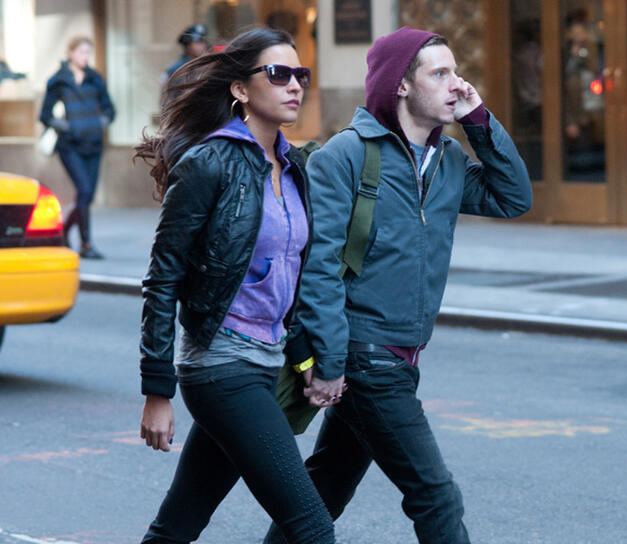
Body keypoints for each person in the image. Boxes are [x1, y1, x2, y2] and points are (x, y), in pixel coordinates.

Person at [265, 26, 532, 544]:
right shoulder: (346, 155)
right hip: (366, 356)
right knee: (436, 497)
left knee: (324, 489)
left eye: (457, 71)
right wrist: (329, 363)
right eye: (441, 73)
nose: (456, 83)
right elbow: (316, 266)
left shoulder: (448, 161)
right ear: (401, 85)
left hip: (403, 355)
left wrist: (478, 120)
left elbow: (513, 197)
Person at [134, 27, 335, 544]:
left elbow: (286, 279)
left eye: (301, 75)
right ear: (241, 89)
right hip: (221, 366)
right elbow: (162, 278)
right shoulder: (210, 163)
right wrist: (158, 390)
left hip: (265, 363)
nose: (294, 85)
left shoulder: (294, 168)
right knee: (311, 527)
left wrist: (307, 358)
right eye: (278, 73)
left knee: (178, 524)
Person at [40, 36, 114, 259]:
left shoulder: (95, 79)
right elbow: (45, 115)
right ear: (70, 53)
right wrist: (68, 127)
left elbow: (110, 109)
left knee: (87, 195)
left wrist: (98, 124)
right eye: (81, 52)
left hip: (93, 144)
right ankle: (86, 244)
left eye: (88, 52)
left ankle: (62, 232)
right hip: (70, 146)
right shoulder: (58, 81)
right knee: (83, 190)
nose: (85, 56)